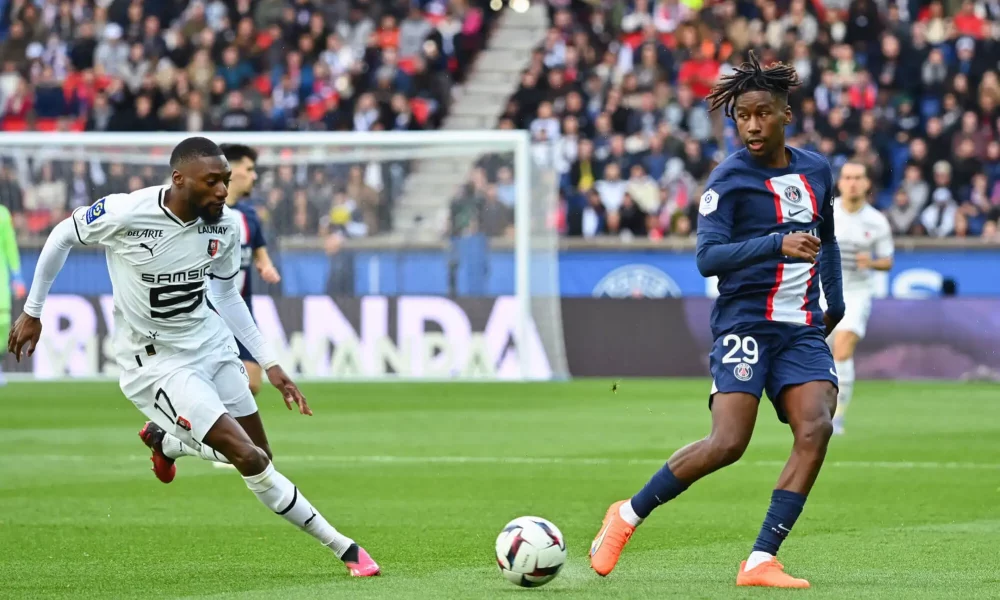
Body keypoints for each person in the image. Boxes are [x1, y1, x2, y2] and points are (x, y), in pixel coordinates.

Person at [7, 137, 380, 578]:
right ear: (179, 179)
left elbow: (226, 295)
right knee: (249, 459)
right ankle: (346, 549)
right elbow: (61, 236)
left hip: (211, 344)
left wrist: (271, 363)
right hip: (158, 363)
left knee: (261, 454)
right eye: (212, 182)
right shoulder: (127, 213)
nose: (223, 191)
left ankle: (167, 442)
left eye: (225, 180)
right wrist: (33, 311)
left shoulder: (226, 226)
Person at [588, 52, 845, 589]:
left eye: (762, 113)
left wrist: (835, 302)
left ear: (785, 114)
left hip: (799, 326)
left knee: (816, 426)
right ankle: (627, 513)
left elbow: (829, 237)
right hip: (745, 323)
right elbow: (708, 258)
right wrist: (776, 243)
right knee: (728, 442)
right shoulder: (727, 180)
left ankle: (760, 560)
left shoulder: (816, 170)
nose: (752, 125)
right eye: (742, 116)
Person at [828, 162, 894, 434]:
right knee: (820, 352)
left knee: (843, 347)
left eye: (858, 177)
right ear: (840, 182)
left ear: (867, 184)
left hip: (857, 292)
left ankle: (837, 416)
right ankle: (815, 410)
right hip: (823, 290)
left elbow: (887, 261)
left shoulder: (876, 221)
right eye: (847, 177)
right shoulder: (827, 212)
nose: (852, 183)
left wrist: (873, 263)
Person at [217, 143, 280, 398]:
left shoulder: (249, 216)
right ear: (231, 171)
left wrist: (267, 268)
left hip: (241, 310)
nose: (254, 176)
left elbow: (261, 256)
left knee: (252, 382)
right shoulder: (205, 215)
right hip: (208, 313)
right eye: (250, 169)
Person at [0, 203, 26, 385]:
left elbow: (10, 246)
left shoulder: (2, 214)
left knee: (2, 324)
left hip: (1, 280)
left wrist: (17, 276)